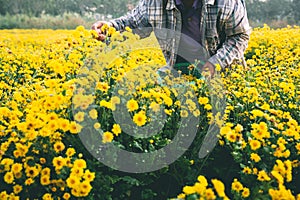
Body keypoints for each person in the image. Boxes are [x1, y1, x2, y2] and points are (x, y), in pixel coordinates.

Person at [92, 0, 251, 78]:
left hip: (224, 74)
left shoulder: (226, 2)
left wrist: (215, 63)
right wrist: (109, 27)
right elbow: (131, 23)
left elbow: (239, 36)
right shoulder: (154, 3)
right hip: (178, 72)